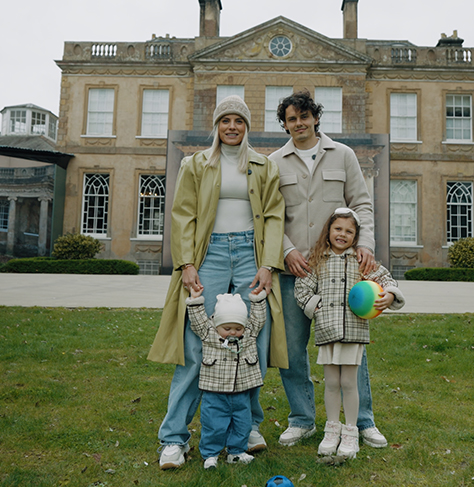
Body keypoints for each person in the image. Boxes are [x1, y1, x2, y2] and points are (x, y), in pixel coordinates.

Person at [148, 95, 287, 470]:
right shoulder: (195, 164)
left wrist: (268, 264)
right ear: (216, 125)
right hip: (208, 254)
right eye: (225, 120)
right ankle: (174, 438)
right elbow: (182, 214)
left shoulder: (263, 166)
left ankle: (247, 427)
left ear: (247, 126)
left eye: (239, 121)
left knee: (252, 341)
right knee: (197, 345)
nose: (232, 126)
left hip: (250, 254)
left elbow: (274, 215)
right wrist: (187, 262)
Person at [268, 89, 388, 449]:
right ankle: (302, 420)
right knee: (292, 350)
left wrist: (365, 245)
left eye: (304, 117)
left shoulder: (344, 155)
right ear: (284, 124)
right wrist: (287, 250)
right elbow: (270, 216)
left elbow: (361, 204)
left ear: (316, 118)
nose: (299, 124)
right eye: (291, 119)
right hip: (294, 272)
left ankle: (362, 421)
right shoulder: (274, 162)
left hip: (340, 272)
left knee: (351, 344)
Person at [295, 208, 405, 458]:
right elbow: (302, 289)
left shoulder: (360, 260)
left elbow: (386, 279)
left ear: (355, 236)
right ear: (328, 231)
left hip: (353, 331)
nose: (342, 234)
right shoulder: (317, 260)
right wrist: (316, 306)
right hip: (327, 330)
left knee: (348, 383)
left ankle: (351, 432)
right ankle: (332, 429)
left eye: (349, 231)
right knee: (332, 383)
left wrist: (389, 295)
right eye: (338, 229)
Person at [185, 286, 269, 469]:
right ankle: (210, 454)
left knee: (242, 424)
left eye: (238, 328)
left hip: (241, 392)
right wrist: (195, 301)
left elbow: (258, 319)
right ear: (217, 324)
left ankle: (236, 452)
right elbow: (198, 321)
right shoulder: (209, 334)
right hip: (214, 393)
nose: (233, 332)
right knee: (213, 424)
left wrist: (257, 300)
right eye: (227, 328)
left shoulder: (248, 335)